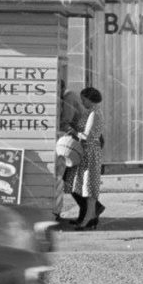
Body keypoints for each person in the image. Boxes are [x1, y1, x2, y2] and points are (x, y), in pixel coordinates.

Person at [71, 87, 106, 230]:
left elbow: (87, 136)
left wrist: (73, 132)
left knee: (89, 188)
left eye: (84, 100)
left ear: (90, 99)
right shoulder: (92, 111)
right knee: (87, 187)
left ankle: (88, 219)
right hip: (89, 152)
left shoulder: (94, 113)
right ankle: (90, 217)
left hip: (90, 152)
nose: (82, 102)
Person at [54, 81, 86, 224]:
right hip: (80, 141)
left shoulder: (68, 97)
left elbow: (66, 122)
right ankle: (87, 213)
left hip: (79, 142)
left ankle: (90, 212)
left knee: (70, 179)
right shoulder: (69, 95)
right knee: (72, 179)